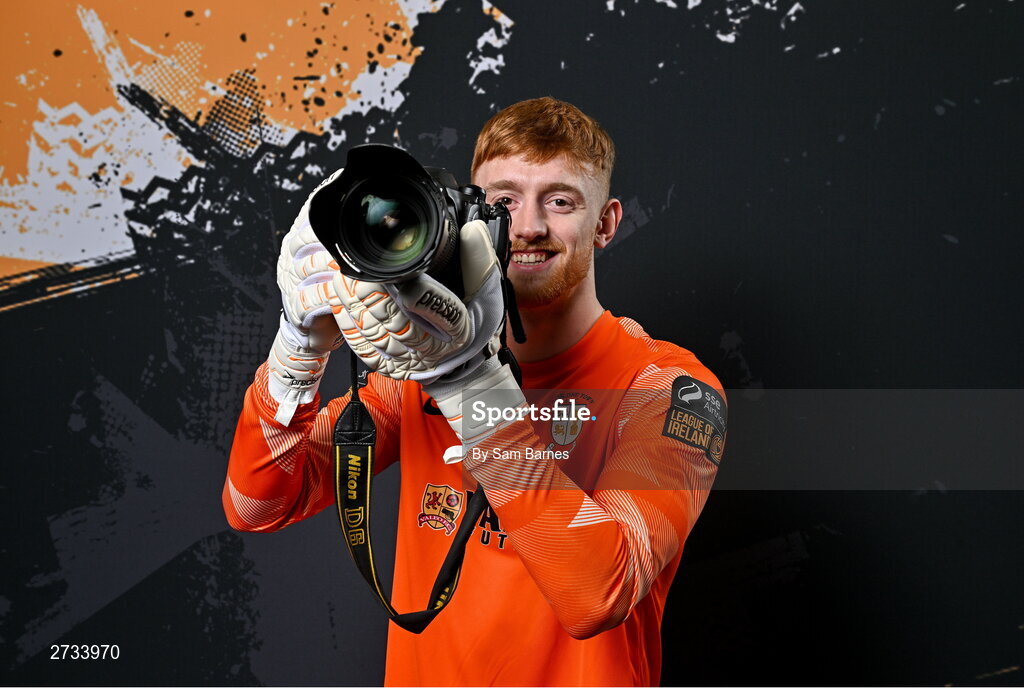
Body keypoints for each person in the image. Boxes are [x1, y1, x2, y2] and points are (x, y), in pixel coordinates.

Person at [224, 97, 726, 686]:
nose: (529, 226)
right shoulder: (411, 376)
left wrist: (469, 381)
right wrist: (296, 352)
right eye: (504, 201)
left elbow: (596, 594)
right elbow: (256, 505)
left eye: (560, 201)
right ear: (462, 216)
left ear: (606, 223)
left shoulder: (669, 389)